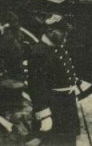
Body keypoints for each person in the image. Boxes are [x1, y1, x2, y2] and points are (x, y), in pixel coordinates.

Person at [27, 14, 80, 146]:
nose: (65, 37)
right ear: (50, 31)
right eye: (63, 33)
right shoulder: (39, 53)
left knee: (68, 140)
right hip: (54, 108)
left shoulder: (56, 48)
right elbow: (36, 87)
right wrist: (44, 115)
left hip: (66, 105)